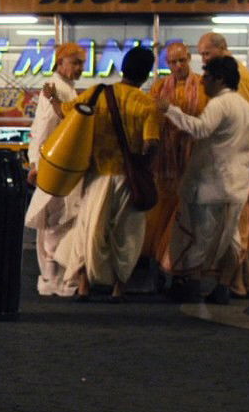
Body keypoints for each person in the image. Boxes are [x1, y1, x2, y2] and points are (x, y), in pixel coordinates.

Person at [51, 47, 161, 302]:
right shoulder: (147, 105)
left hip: (97, 175)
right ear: (146, 75)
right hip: (128, 179)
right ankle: (118, 288)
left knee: (88, 229)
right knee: (125, 235)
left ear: (122, 68)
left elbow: (64, 112)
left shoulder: (97, 93)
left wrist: (52, 98)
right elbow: (151, 144)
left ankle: (84, 285)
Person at [154, 55, 249, 304]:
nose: (203, 82)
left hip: (211, 184)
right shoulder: (247, 108)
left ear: (219, 79)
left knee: (198, 236)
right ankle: (223, 288)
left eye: (207, 77)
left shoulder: (219, 104)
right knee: (230, 239)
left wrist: (170, 110)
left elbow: (200, 129)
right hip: (237, 185)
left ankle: (192, 285)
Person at [197, 31, 249, 298]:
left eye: (207, 54)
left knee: (235, 227)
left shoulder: (233, 77)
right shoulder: (241, 73)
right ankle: (246, 281)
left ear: (222, 49)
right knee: (239, 226)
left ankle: (233, 283)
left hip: (236, 165)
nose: (203, 60)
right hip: (244, 163)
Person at [25, 42, 87, 296]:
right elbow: (44, 127)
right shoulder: (57, 88)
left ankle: (55, 279)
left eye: (82, 63)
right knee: (56, 222)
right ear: (60, 62)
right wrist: (36, 163)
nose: (80, 68)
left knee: (57, 222)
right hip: (55, 165)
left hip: (58, 165)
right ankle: (54, 280)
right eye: (75, 63)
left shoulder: (64, 88)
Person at [142, 42, 205, 285]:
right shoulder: (159, 87)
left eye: (182, 60)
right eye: (172, 62)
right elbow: (150, 117)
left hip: (192, 161)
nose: (178, 66)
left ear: (189, 58)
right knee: (160, 218)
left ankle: (186, 271)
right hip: (165, 166)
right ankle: (159, 264)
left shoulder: (203, 86)